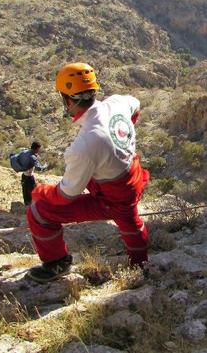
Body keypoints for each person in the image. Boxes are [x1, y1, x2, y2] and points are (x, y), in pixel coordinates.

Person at [25, 62, 150, 283]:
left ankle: (57, 262)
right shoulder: (118, 103)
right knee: (130, 222)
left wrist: (41, 192)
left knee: (39, 211)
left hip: (114, 198)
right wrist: (122, 136)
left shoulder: (85, 145)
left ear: (68, 100)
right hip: (134, 177)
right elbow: (135, 104)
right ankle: (140, 264)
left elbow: (66, 195)